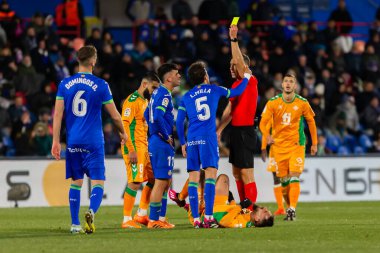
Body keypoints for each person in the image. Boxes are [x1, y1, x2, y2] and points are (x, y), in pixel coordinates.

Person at [51, 45, 127, 234]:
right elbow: (115, 116)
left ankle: (75, 224)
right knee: (98, 182)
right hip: (93, 141)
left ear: (78, 60)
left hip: (73, 141)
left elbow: (58, 115)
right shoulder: (101, 85)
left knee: (76, 182)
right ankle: (92, 211)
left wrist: (55, 141)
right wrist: (123, 133)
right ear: (93, 61)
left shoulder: (64, 84)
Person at [176, 61, 251, 228]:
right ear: (205, 76)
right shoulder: (213, 89)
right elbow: (237, 91)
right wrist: (247, 77)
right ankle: (208, 217)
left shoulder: (186, 97)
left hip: (192, 138)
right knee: (210, 177)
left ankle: (196, 220)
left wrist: (182, 142)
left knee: (194, 180)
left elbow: (179, 121)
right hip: (208, 138)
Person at [259, 73, 318, 221]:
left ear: (295, 86)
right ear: (282, 85)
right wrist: (267, 135)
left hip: (296, 145)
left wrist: (314, 143)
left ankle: (292, 209)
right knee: (284, 182)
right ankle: (287, 206)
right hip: (279, 147)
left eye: (291, 81)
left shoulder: (302, 103)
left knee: (294, 175)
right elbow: (262, 122)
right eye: (286, 81)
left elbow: (311, 122)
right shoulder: (273, 103)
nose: (288, 83)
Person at [217, 24, 259, 207]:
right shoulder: (235, 86)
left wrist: (233, 40)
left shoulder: (250, 80)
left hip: (245, 131)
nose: (231, 68)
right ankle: (244, 206)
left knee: (246, 173)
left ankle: (251, 210)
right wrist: (219, 130)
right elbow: (229, 110)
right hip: (235, 132)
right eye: (230, 65)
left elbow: (241, 65)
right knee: (236, 172)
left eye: (234, 64)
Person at [121, 72, 159, 228]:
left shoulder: (145, 101)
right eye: (153, 87)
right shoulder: (132, 101)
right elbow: (124, 125)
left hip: (144, 146)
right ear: (145, 84)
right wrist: (131, 149)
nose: (154, 91)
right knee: (135, 182)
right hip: (134, 147)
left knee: (154, 179)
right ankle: (126, 219)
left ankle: (141, 214)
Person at [145, 63, 181, 229]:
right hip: (160, 142)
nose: (179, 76)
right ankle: (153, 220)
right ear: (168, 78)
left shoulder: (156, 93)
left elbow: (147, 114)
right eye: (176, 73)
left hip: (156, 140)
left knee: (165, 181)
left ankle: (160, 218)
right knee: (161, 182)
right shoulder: (164, 94)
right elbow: (157, 116)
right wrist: (165, 135)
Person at [260, 120, 288, 216]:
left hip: (287, 149)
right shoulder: (272, 116)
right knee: (276, 178)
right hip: (274, 150)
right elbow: (265, 131)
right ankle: (281, 208)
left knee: (285, 178)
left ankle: (290, 206)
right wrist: (263, 148)